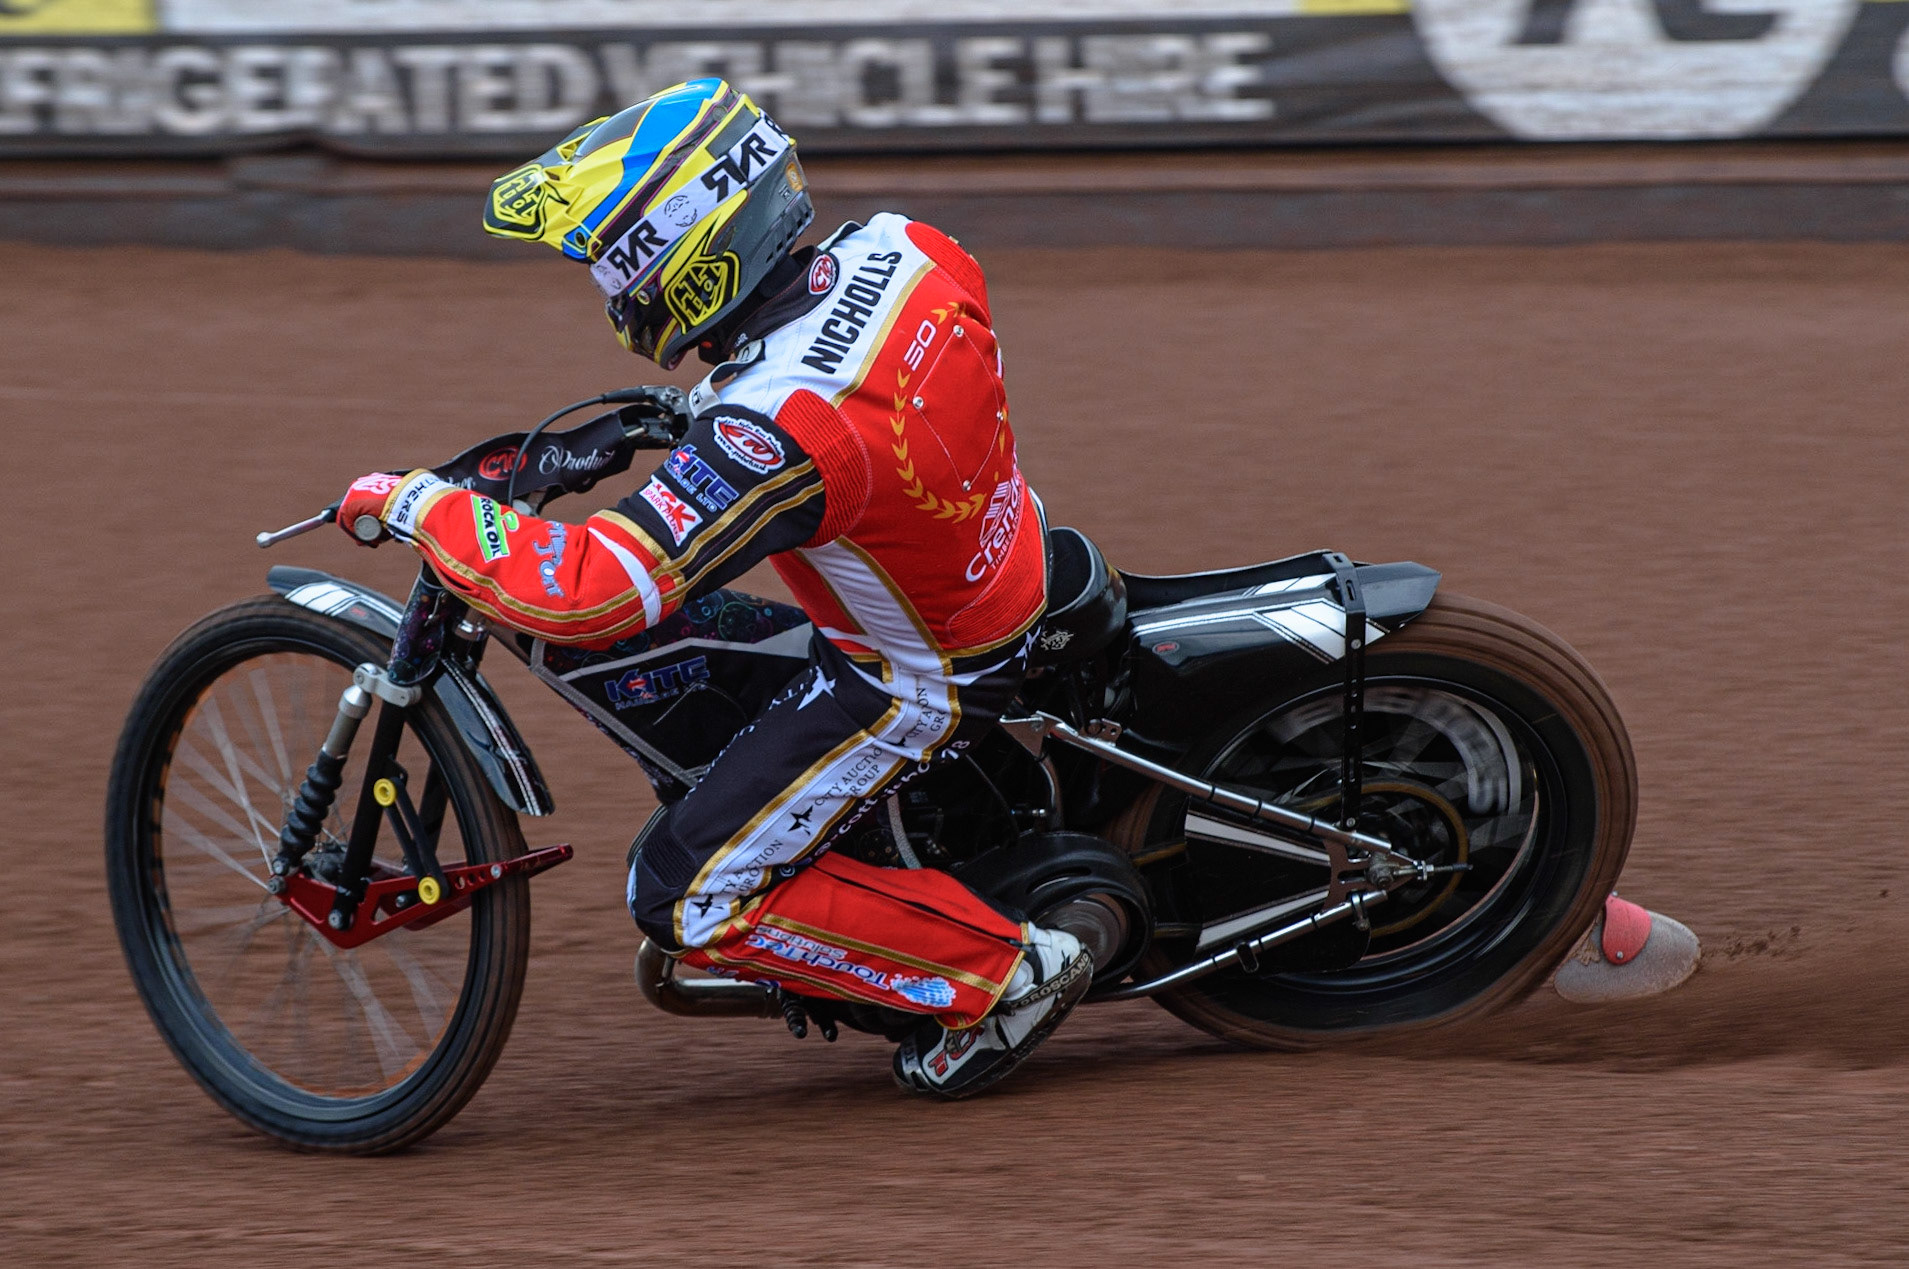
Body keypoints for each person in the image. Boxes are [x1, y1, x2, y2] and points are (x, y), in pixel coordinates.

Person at [335, 78, 1091, 1099]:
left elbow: (594, 593)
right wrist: (690, 415)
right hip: (1007, 552)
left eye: (610, 260)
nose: (605, 286)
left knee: (684, 891)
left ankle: (1007, 977)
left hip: (921, 676)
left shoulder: (776, 430)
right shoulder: (911, 247)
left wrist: (419, 503)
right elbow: (827, 375)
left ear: (683, 257)